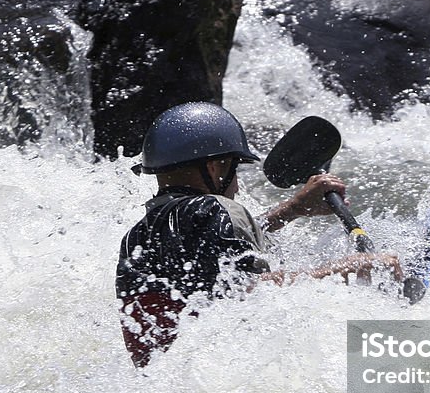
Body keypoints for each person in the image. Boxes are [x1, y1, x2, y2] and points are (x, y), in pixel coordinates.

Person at [116, 102, 402, 367]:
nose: (237, 186)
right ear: (216, 167)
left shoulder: (137, 236)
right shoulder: (214, 209)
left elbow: (213, 262)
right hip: (227, 373)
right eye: (235, 169)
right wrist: (345, 269)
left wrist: (294, 208)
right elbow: (250, 295)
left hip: (168, 383)